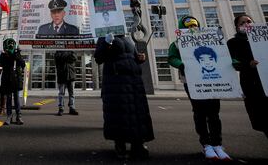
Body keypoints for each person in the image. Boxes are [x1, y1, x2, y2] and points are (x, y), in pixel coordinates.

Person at [168, 15, 231, 161]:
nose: (192, 28)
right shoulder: (177, 43)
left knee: (214, 113)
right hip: (191, 82)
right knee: (200, 112)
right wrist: (180, 64)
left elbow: (223, 56)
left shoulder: (211, 41)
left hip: (212, 82)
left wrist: (233, 62)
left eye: (194, 25)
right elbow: (171, 57)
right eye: (188, 26)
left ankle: (217, 144)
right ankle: (206, 144)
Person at [94, 33, 154, 160]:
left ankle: (137, 144)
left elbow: (134, 55)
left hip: (134, 81)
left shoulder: (128, 38)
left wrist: (139, 58)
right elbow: (98, 58)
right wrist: (106, 43)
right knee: (120, 113)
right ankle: (120, 144)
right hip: (117, 82)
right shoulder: (104, 37)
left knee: (137, 113)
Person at [227, 15, 268, 139]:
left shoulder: (264, 39)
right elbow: (233, 62)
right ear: (237, 27)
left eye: (249, 21)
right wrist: (247, 64)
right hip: (252, 83)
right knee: (263, 117)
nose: (246, 24)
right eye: (242, 23)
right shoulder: (233, 42)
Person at [0, 38, 25, 125]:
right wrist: (8, 54)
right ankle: (9, 116)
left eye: (12, 44)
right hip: (7, 78)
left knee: (17, 98)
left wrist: (16, 54)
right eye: (9, 44)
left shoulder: (17, 53)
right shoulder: (3, 54)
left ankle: (19, 116)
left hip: (16, 78)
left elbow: (23, 64)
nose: (10, 46)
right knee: (9, 98)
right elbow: (2, 64)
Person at [54, 51, 79, 116]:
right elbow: (59, 58)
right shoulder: (57, 53)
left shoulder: (72, 53)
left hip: (71, 76)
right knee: (61, 94)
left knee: (72, 94)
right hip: (62, 77)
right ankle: (61, 108)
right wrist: (67, 55)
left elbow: (74, 58)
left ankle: (72, 108)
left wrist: (64, 55)